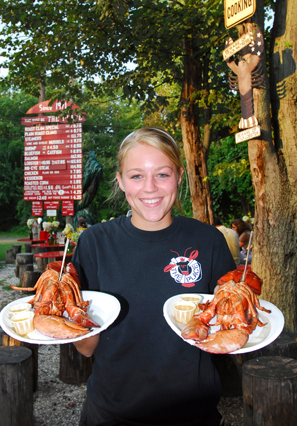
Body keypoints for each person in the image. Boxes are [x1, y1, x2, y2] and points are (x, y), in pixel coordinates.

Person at [72, 127, 236, 426]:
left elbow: (230, 324)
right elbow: (85, 347)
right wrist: (72, 323)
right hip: (112, 413)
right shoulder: (94, 242)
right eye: (136, 176)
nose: (150, 188)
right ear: (120, 181)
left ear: (179, 176)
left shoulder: (209, 240)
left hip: (193, 413)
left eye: (162, 174)